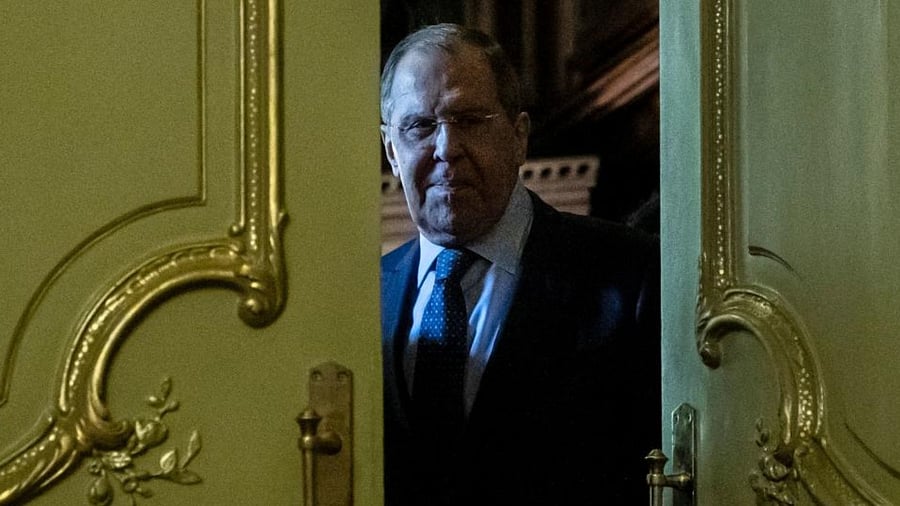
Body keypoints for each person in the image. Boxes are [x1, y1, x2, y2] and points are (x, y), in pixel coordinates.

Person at [380, 23, 660, 505]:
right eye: (420, 126)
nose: (446, 148)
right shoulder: (366, 299)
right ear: (391, 150)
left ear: (518, 137)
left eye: (469, 120)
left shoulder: (631, 276)